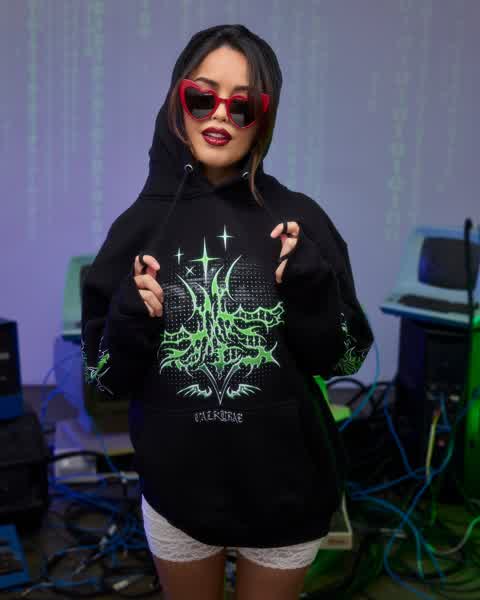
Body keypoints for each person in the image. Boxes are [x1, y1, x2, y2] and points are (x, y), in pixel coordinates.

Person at [81, 24, 374, 600]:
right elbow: (103, 378)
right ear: (177, 100)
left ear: (264, 118)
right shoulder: (137, 227)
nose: (219, 115)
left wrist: (312, 286)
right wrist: (130, 317)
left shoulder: (300, 219)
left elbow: (344, 359)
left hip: (288, 493)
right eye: (201, 96)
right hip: (178, 496)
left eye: (243, 105)